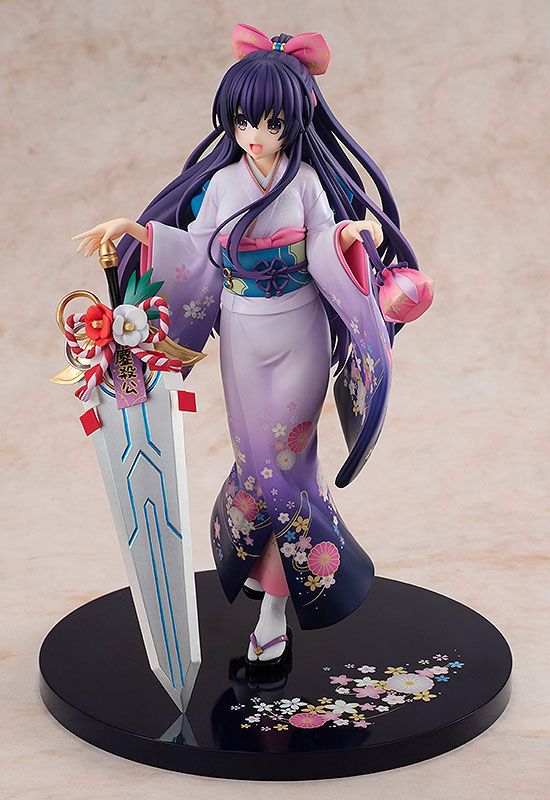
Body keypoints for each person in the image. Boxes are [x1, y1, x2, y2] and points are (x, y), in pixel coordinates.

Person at [72, 23, 419, 667]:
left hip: (299, 329)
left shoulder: (306, 183)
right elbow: (196, 250)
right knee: (253, 459)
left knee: (286, 463)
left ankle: (276, 606)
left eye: (270, 123)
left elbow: (324, 245)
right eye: (242, 121)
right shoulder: (225, 184)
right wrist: (136, 232)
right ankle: (274, 573)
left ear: (293, 123)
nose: (254, 134)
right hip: (241, 330)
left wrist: (348, 240)